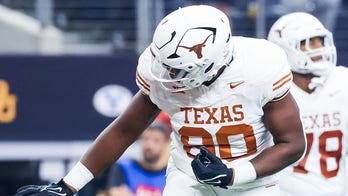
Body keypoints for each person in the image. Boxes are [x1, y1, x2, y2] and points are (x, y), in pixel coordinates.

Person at [14, 5, 306, 196]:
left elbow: (292, 144)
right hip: (188, 177)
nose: (165, 73)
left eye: (176, 68)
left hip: (251, 181)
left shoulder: (259, 67)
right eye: (164, 61)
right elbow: (125, 130)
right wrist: (68, 186)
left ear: (210, 62)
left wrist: (233, 174)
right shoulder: (160, 74)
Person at [268, 12, 348, 196]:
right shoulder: (273, 90)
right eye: (308, 43)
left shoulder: (343, 81)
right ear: (284, 49)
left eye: (320, 41)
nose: (319, 48)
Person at [106, 121, 170, 196]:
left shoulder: (171, 174)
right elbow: (115, 192)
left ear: (166, 143)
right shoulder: (123, 167)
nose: (149, 145)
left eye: (156, 140)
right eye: (146, 139)